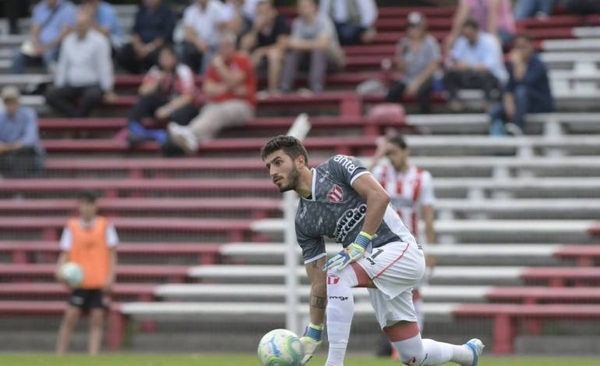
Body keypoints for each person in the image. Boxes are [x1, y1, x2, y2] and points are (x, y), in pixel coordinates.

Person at [260, 135, 484, 366]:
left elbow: (380, 196)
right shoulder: (303, 221)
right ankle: (467, 355)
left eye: (278, 162)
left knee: (336, 273)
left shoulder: (336, 167)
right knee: (412, 355)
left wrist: (360, 242)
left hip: (401, 251)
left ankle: (334, 363)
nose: (272, 172)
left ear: (299, 161)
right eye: (268, 167)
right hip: (376, 266)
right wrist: (313, 333)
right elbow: (318, 279)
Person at [369, 134, 437, 357]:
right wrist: (378, 155)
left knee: (413, 293)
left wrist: (433, 250)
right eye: (388, 154)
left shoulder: (421, 177)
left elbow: (427, 216)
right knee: (387, 295)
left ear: (406, 151)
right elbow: (358, 180)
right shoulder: (381, 173)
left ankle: (412, 344)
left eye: (394, 153)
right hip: (384, 245)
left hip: (410, 245)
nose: (391, 158)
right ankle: (394, 345)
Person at [168, 32, 256, 154]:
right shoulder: (214, 63)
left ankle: (190, 133)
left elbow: (233, 80)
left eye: (226, 46)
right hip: (217, 104)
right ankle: (193, 138)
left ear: (233, 46)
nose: (222, 49)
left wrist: (220, 67)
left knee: (220, 110)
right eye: (221, 46)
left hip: (242, 106)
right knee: (208, 110)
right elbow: (208, 88)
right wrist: (231, 87)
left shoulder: (241, 59)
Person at [55, 190, 119, 355]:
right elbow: (65, 252)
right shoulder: (72, 226)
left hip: (98, 280)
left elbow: (112, 254)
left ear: (95, 206)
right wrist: (59, 269)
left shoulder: (105, 225)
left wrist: (111, 276)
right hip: (79, 281)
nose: (86, 208)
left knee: (97, 319)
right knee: (70, 317)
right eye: (83, 204)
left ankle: (93, 356)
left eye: (89, 204)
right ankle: (59, 354)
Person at [127, 46, 198, 156]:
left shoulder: (183, 70)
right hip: (161, 105)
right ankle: (135, 130)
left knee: (184, 112)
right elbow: (142, 91)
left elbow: (188, 97)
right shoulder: (155, 71)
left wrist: (168, 109)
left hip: (178, 107)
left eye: (168, 56)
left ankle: (173, 138)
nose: (165, 60)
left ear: (174, 57)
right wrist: (157, 82)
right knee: (144, 101)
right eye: (162, 57)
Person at [45, 10, 117, 118]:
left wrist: (108, 89)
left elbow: (104, 66)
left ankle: (76, 120)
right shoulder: (67, 40)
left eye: (82, 24)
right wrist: (59, 85)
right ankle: (77, 118)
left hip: (92, 84)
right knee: (51, 96)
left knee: (93, 97)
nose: (80, 27)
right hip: (72, 84)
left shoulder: (100, 41)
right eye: (78, 24)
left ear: (89, 24)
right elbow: (63, 65)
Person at [488, 33, 554, 136]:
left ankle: (517, 126)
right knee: (495, 110)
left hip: (539, 103)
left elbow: (524, 82)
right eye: (518, 47)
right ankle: (498, 134)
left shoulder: (537, 64)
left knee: (521, 91)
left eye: (523, 46)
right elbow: (508, 87)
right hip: (520, 102)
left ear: (530, 46)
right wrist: (508, 102)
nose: (521, 50)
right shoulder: (513, 65)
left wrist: (518, 64)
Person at [280, 0, 345, 94]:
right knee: (293, 53)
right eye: (300, 7)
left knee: (318, 50)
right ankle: (284, 86)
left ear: (314, 7)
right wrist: (312, 44)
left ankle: (315, 87)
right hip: (309, 60)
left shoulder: (324, 20)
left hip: (332, 59)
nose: (303, 9)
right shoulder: (297, 23)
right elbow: (292, 44)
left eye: (305, 6)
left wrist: (301, 44)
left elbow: (323, 44)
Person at [444, 19, 507, 112]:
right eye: (466, 34)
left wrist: (468, 66)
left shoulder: (490, 41)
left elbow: (489, 66)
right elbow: (451, 62)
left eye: (470, 33)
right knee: (449, 74)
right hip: (470, 77)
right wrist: (456, 65)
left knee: (485, 75)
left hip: (490, 78)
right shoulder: (462, 41)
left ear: (477, 30)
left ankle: (489, 103)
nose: (468, 36)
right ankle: (455, 102)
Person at [383, 12, 440, 114]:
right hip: (408, 79)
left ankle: (425, 122)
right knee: (392, 93)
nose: (412, 30)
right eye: (410, 27)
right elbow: (401, 69)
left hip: (426, 78)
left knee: (423, 92)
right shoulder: (404, 44)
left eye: (416, 27)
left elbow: (432, 67)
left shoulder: (430, 43)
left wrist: (417, 83)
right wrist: (401, 55)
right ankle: (392, 123)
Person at [11, 0, 77, 74]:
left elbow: (64, 34)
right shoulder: (40, 7)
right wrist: (37, 45)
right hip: (39, 46)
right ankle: (18, 84)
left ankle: (52, 83)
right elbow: (34, 31)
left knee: (47, 55)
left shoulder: (68, 8)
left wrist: (47, 47)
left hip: (57, 46)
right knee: (17, 55)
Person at [240, 0, 289, 95]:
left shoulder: (280, 22)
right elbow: (245, 46)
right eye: (259, 13)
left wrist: (262, 51)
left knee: (274, 55)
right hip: (259, 58)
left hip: (279, 57)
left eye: (265, 12)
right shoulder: (254, 25)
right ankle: (248, 89)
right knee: (245, 57)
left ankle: (273, 90)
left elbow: (282, 45)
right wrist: (255, 29)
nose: (263, 16)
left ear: (272, 12)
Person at [117, 0, 177, 74]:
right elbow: (135, 33)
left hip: (157, 46)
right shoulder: (140, 12)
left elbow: (164, 37)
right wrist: (138, 47)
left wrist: (148, 48)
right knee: (126, 51)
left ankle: (156, 75)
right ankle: (131, 74)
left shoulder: (167, 13)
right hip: (141, 45)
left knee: (161, 53)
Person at [0, 86, 44, 178]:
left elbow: (30, 139)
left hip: (29, 155)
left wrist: (9, 146)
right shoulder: (1, 117)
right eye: (8, 102)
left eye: (13, 101)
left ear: (18, 101)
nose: (11, 105)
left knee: (22, 152)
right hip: (9, 154)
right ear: (4, 103)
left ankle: (19, 189)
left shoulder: (29, 114)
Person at [181, 0, 228, 74]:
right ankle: (189, 76)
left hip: (216, 43)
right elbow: (188, 33)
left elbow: (224, 29)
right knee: (185, 47)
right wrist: (198, 42)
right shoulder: (191, 10)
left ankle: (204, 76)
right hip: (199, 43)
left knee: (209, 53)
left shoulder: (217, 6)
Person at [445, 0, 514, 49]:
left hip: (500, 30)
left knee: (488, 43)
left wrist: (491, 38)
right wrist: (453, 36)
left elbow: (493, 14)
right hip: (478, 32)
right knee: (459, 42)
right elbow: (461, 17)